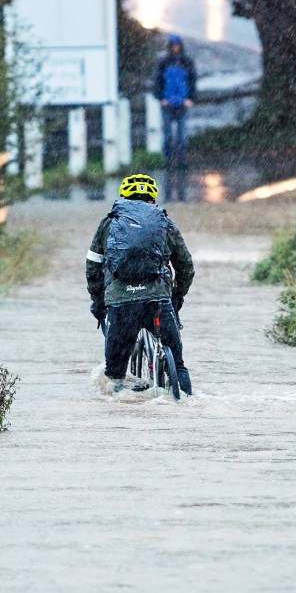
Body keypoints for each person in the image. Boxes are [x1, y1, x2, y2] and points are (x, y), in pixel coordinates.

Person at [86, 174, 195, 394]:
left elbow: (93, 265)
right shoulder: (164, 222)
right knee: (179, 365)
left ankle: (118, 416)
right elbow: (185, 265)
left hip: (121, 304)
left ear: (123, 197)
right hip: (157, 300)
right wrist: (177, 296)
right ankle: (187, 407)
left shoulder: (109, 222)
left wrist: (98, 301)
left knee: (114, 377)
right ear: (153, 199)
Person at [153, 34, 197, 201]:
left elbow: (193, 81)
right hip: (168, 104)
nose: (175, 48)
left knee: (182, 135)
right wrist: (161, 98)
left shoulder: (187, 62)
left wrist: (190, 99)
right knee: (167, 135)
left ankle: (181, 161)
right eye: (173, 45)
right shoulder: (163, 62)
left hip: (182, 104)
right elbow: (157, 81)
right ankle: (168, 161)